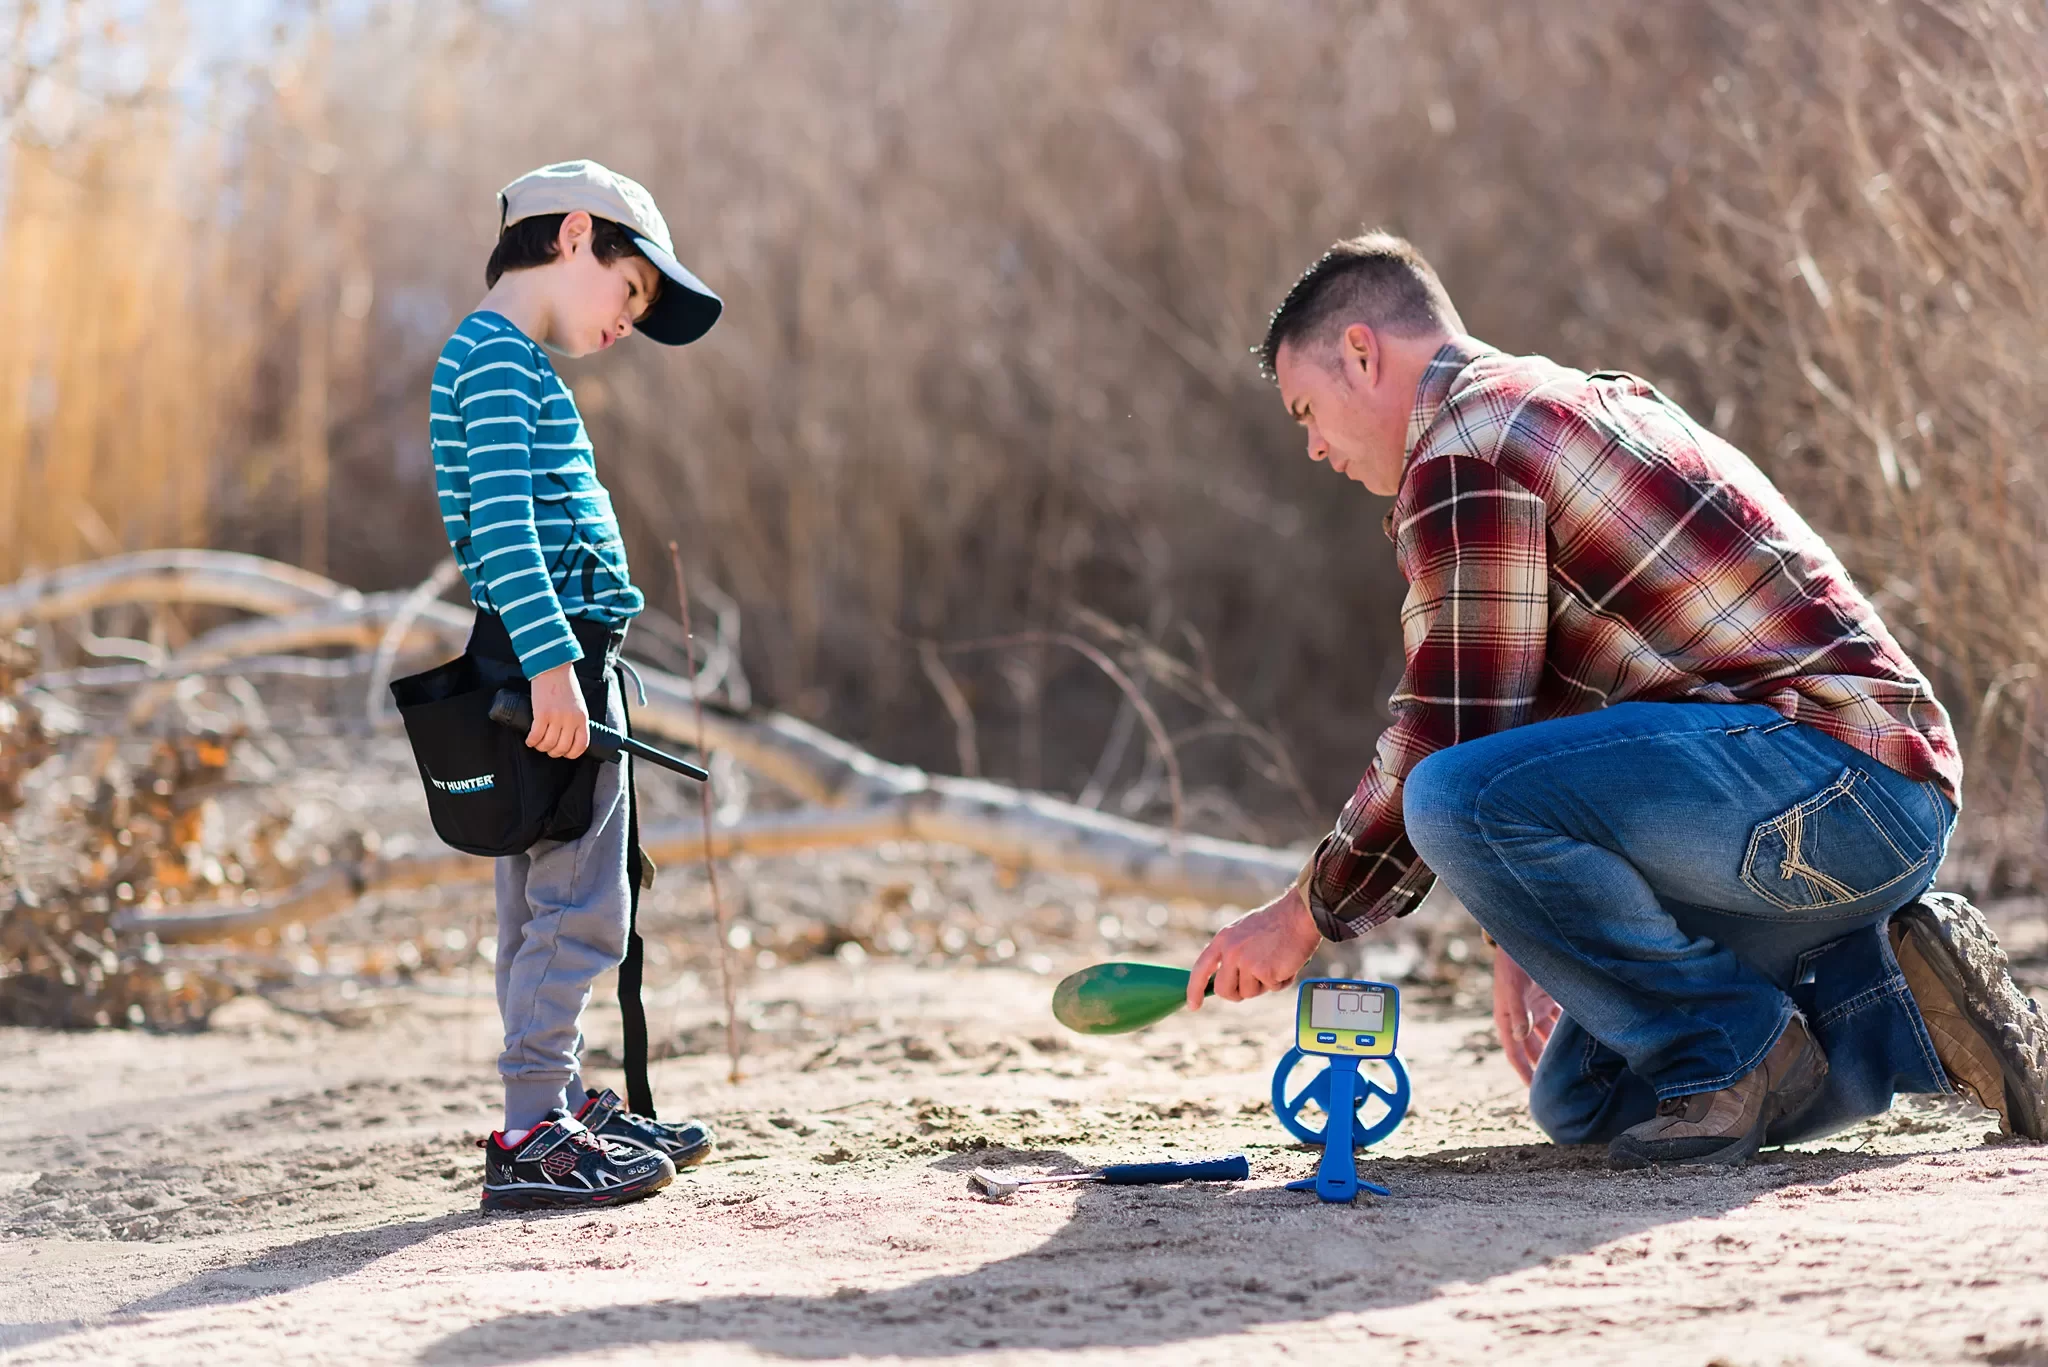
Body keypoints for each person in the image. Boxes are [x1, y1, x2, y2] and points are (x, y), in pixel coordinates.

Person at [1188, 231, 2048, 1166]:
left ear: (1364, 352)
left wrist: (1305, 912)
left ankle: (1735, 1049)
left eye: (1307, 410)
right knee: (1587, 1098)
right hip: (1866, 807)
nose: (1313, 446)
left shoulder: (1466, 448)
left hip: (1830, 787)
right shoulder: (1567, 400)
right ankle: (1902, 1007)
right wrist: (1517, 918)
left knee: (1445, 793)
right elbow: (1554, 711)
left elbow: (1450, 731)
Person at [429, 160, 725, 1209]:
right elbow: (504, 526)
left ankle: (548, 1095)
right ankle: (531, 1127)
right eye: (631, 290)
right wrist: (558, 671)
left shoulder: (484, 355)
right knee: (579, 901)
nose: (630, 321)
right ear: (571, 237)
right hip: (543, 659)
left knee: (539, 897)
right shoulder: (502, 360)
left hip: (529, 651)